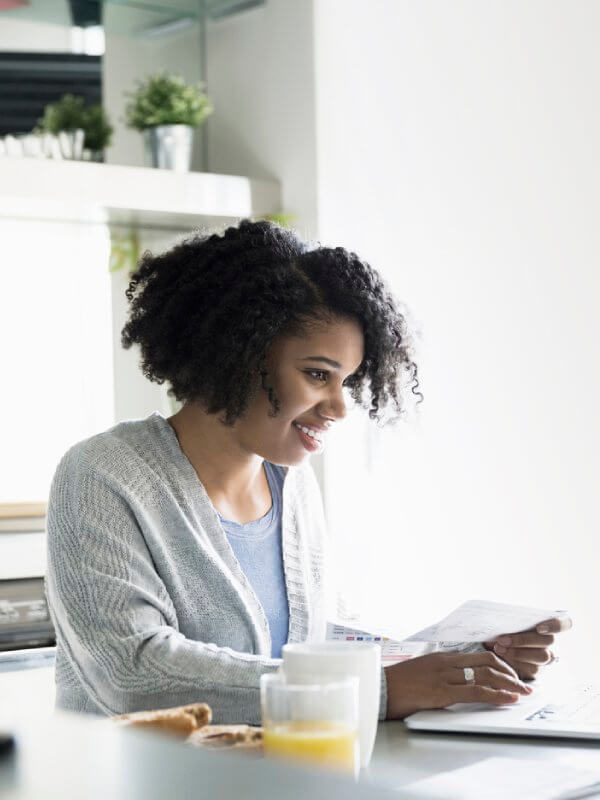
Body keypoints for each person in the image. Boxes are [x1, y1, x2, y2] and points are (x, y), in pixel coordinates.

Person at [45, 220, 571, 722]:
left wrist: (464, 659)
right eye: (319, 374)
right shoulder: (102, 476)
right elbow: (131, 674)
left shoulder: (289, 484)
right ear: (238, 351)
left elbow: (314, 644)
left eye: (347, 380)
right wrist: (381, 689)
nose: (339, 407)